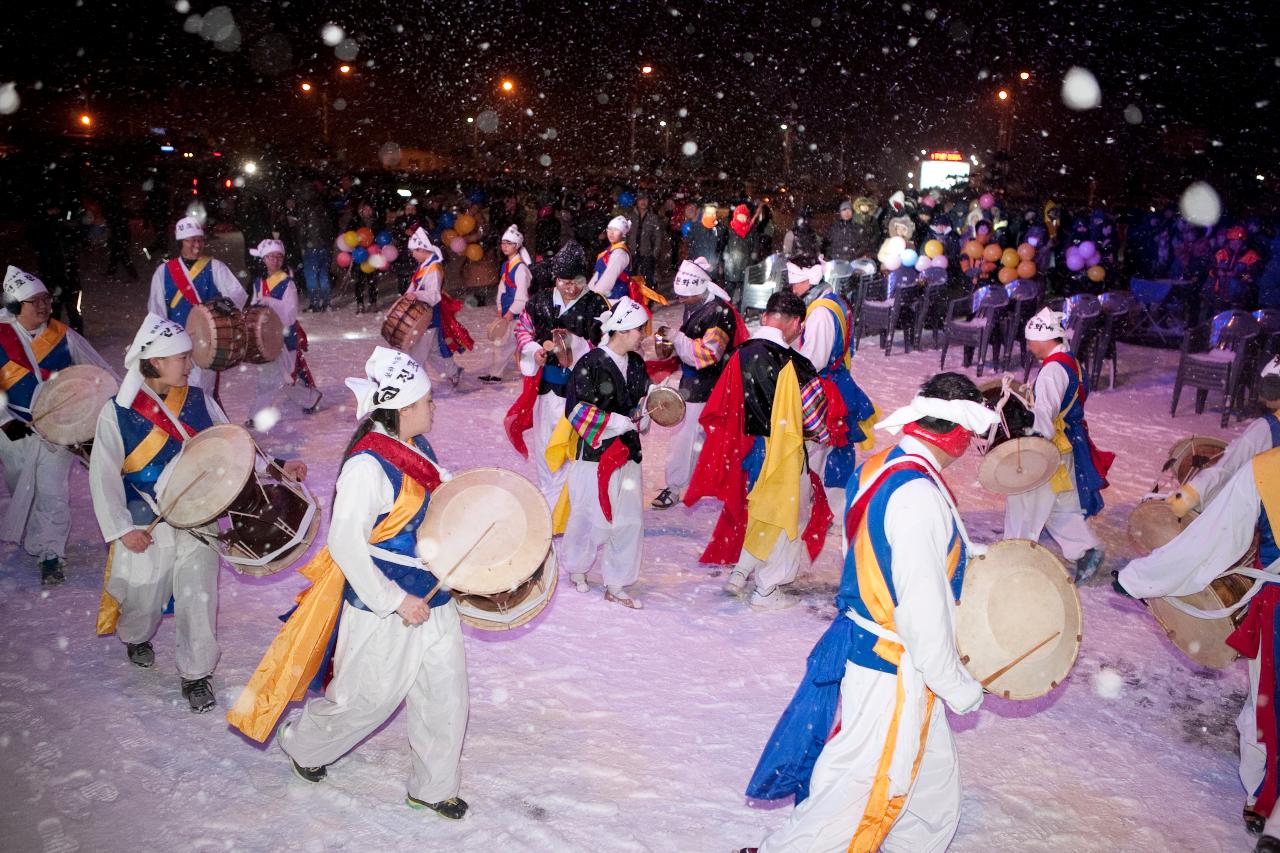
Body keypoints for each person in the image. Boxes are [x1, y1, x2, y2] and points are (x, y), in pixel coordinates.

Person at [739, 373, 996, 853]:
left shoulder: (883, 465)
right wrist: (957, 685)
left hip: (880, 649)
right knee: (864, 796)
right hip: (896, 664)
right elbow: (921, 609)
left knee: (929, 794)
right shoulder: (918, 494)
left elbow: (878, 549)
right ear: (960, 433)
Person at [228, 346, 469, 818]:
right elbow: (346, 545)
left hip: (435, 597)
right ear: (404, 410)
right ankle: (304, 746)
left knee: (446, 694)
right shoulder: (366, 467)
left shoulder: (416, 447)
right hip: (384, 605)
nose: (433, 407)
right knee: (365, 702)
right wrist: (395, 600)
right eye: (427, 401)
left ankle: (433, 787)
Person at [89, 313, 307, 712]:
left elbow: (234, 449)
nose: (191, 366)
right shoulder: (116, 413)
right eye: (182, 359)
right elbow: (102, 475)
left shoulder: (198, 400)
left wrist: (275, 467)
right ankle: (136, 634)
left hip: (199, 518)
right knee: (145, 598)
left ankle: (196, 673)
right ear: (154, 362)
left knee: (198, 595)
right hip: (145, 521)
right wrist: (122, 529)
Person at [1117, 448, 1280, 852]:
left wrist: (1140, 578)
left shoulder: (1269, 468)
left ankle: (1269, 803)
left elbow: (1210, 544)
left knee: (1269, 709)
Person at [685, 291, 833, 610]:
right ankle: (768, 588)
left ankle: (741, 572)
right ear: (796, 323)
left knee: (759, 513)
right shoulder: (795, 363)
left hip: (750, 448)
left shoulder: (741, 353)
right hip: (785, 451)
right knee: (785, 517)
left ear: (766, 318)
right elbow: (815, 421)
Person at [0, 265, 116, 585]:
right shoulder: (0, 336)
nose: (43, 306)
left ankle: (51, 554)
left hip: (57, 429)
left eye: (46, 299)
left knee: (52, 492)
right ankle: (38, 541)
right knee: (25, 488)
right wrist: (5, 420)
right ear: (14, 306)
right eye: (33, 301)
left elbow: (99, 370)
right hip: (12, 431)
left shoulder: (62, 335)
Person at [555, 297, 652, 608]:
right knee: (587, 516)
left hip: (628, 454)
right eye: (639, 329)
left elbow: (641, 402)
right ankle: (578, 567)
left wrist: (645, 415)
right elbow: (577, 412)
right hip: (595, 455)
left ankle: (617, 581)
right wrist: (615, 422)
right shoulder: (591, 364)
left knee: (628, 520)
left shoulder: (636, 364)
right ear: (621, 330)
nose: (643, 335)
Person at [1004, 308, 1112, 583]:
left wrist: (1030, 433)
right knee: (1059, 504)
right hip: (1066, 444)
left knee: (1025, 501)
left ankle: (1014, 559)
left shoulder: (1053, 370)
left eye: (1030, 341)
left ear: (1043, 340)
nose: (1029, 347)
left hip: (1052, 445)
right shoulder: (1069, 361)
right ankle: (1085, 549)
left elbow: (1045, 413)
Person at [504, 242, 608, 508]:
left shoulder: (596, 305)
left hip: (578, 392)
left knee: (570, 451)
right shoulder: (539, 302)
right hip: (546, 389)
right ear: (555, 279)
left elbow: (606, 345)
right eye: (564, 282)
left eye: (577, 281)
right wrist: (534, 349)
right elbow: (523, 330)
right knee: (545, 451)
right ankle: (551, 504)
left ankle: (568, 508)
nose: (571, 288)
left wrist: (574, 346)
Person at [651, 258, 743, 510]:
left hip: (708, 383)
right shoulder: (698, 305)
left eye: (684, 296)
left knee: (688, 436)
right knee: (693, 436)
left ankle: (679, 486)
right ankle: (693, 483)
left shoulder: (718, 312)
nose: (680, 299)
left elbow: (709, 354)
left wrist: (678, 340)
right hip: (694, 381)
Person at [790, 263, 879, 510]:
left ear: (809, 281)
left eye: (796, 282)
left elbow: (815, 359)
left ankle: (826, 508)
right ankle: (831, 506)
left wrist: (788, 366)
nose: (793, 287)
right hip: (838, 382)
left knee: (824, 449)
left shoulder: (819, 312)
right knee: (836, 448)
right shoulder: (834, 300)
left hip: (828, 389)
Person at [146, 216, 247, 396]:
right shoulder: (163, 272)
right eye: (191, 240)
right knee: (180, 392)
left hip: (206, 343)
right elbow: (156, 312)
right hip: (177, 345)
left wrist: (226, 305)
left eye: (200, 240)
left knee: (201, 393)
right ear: (180, 242)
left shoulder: (215, 267)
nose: (197, 245)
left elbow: (237, 294)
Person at [245, 239, 321, 423]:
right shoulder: (258, 283)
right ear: (264, 259)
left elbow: (290, 314)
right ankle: (309, 398)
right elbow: (255, 307)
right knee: (275, 376)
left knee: (282, 376)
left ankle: (308, 398)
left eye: (279, 257)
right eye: (271, 257)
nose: (275, 260)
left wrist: (269, 303)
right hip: (266, 337)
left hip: (285, 337)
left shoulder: (287, 283)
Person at [401, 227, 471, 389]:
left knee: (417, 353)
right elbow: (413, 286)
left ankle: (417, 388)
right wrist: (407, 297)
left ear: (422, 249)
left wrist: (417, 296)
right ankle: (453, 372)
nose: (412, 254)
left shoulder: (433, 269)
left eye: (414, 251)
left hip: (428, 316)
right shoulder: (424, 265)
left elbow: (434, 296)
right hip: (422, 314)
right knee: (432, 351)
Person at [479, 225, 532, 384]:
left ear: (517, 246)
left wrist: (510, 312)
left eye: (508, 243)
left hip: (516, 314)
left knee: (512, 345)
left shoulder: (520, 269)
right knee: (505, 345)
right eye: (503, 243)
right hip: (508, 312)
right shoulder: (506, 265)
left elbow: (522, 297)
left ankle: (530, 373)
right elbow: (502, 288)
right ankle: (496, 374)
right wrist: (501, 308)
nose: (504, 246)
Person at [587, 216, 634, 301]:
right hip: (604, 297)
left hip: (613, 299)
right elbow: (598, 275)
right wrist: (588, 293)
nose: (611, 233)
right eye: (609, 229)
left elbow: (608, 280)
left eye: (616, 230)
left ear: (622, 234)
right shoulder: (610, 250)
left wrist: (593, 298)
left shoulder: (619, 253)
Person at [625, 193, 663, 286]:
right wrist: (625, 251)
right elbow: (625, 234)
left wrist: (654, 254)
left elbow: (658, 237)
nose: (643, 202)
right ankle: (632, 298)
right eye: (640, 199)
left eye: (645, 199)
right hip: (631, 253)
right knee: (631, 279)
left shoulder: (653, 217)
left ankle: (648, 299)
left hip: (647, 254)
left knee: (648, 280)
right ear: (636, 201)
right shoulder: (630, 216)